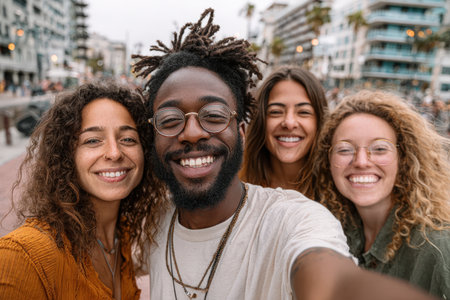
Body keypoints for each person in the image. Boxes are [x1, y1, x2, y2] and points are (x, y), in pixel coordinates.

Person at [132, 8, 437, 300]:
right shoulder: (152, 219)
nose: (192, 132)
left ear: (240, 132)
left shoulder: (297, 218)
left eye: (214, 115)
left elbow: (326, 270)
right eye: (170, 121)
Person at [0, 81, 167, 299]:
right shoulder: (22, 258)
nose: (114, 153)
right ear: (67, 156)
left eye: (128, 139)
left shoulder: (120, 236)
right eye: (93, 140)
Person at [313, 90, 450, 298]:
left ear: (403, 159)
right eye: (345, 149)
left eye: (379, 148)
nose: (361, 161)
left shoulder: (437, 246)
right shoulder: (332, 233)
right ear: (328, 161)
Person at [239, 65, 327, 198]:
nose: (289, 123)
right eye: (276, 112)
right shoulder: (235, 186)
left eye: (303, 112)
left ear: (320, 121)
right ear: (260, 121)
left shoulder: (339, 192)